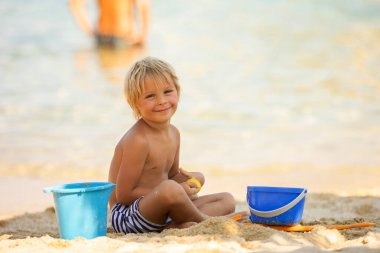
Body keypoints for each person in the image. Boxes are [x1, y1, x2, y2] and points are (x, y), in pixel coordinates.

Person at [108, 57, 237, 233]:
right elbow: (123, 195)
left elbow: (170, 176)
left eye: (167, 92)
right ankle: (204, 221)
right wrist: (174, 189)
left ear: (178, 92)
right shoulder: (138, 140)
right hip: (128, 216)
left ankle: (174, 225)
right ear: (136, 105)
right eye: (150, 96)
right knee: (171, 189)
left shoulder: (174, 133)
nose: (161, 101)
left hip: (161, 208)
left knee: (226, 199)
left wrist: (188, 181)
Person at [69, 0, 151, 48]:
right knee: (124, 74)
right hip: (124, 36)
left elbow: (75, 4)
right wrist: (143, 36)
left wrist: (89, 30)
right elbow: (144, 7)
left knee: (105, 74)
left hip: (102, 36)